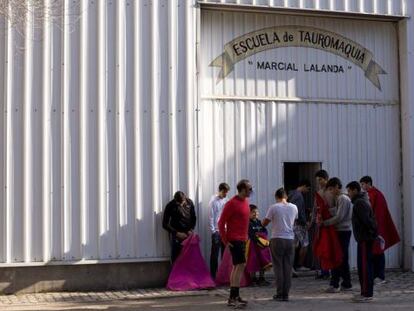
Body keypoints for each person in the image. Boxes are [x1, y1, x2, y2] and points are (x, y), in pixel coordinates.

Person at [360, 176, 400, 285]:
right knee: (373, 252)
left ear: (368, 183)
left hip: (377, 227)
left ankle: (380, 276)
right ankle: (374, 275)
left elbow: (376, 212)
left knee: (378, 252)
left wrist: (374, 227)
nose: (362, 187)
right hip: (373, 227)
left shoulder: (375, 194)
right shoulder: (371, 194)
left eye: (363, 184)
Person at [218, 179, 252, 308]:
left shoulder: (246, 202)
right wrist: (225, 240)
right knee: (240, 265)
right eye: (249, 189)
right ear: (242, 189)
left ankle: (233, 297)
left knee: (237, 266)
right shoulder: (231, 203)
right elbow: (221, 223)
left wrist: (246, 237)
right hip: (234, 239)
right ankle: (234, 297)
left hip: (243, 239)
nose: (251, 191)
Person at [263, 188, 298, 302]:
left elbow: (265, 222)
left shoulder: (274, 207)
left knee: (278, 267)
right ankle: (286, 294)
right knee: (287, 267)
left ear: (276, 197)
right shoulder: (294, 207)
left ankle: (279, 294)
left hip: (277, 238)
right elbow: (295, 221)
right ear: (286, 196)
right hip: (290, 239)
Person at [347, 181, 378, 303]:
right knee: (363, 266)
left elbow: (367, 221)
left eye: (349, 191)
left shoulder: (360, 203)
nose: (348, 194)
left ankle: (366, 294)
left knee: (365, 267)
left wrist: (372, 234)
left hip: (365, 239)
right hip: (364, 238)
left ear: (355, 190)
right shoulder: (362, 201)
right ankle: (364, 292)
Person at [323, 177, 353, 293]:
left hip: (342, 231)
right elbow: (337, 212)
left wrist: (325, 223)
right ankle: (346, 282)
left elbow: (339, 217)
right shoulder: (341, 198)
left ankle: (335, 284)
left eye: (331, 189)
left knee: (338, 257)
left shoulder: (343, 198)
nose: (330, 192)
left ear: (336, 186)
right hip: (342, 230)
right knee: (342, 258)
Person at [312, 170, 335, 280]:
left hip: (332, 223)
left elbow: (337, 207)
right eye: (317, 180)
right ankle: (323, 270)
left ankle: (332, 271)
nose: (319, 182)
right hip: (320, 224)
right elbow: (315, 208)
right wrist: (312, 221)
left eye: (320, 180)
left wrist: (329, 212)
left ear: (326, 178)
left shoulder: (332, 191)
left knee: (331, 248)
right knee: (321, 247)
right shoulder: (319, 192)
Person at [162, 191, 196, 263]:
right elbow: (165, 224)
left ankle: (187, 274)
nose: (180, 205)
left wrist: (191, 229)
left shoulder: (190, 202)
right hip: (177, 235)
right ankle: (175, 273)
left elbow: (193, 217)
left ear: (185, 199)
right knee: (176, 257)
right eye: (178, 203)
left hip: (188, 234)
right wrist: (176, 233)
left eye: (182, 203)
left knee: (189, 257)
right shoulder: (170, 205)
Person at [288, 180, 311, 272]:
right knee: (305, 244)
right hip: (299, 223)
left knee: (294, 245)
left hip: (292, 223)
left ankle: (291, 266)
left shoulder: (291, 194)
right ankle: (299, 265)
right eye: (308, 189)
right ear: (304, 186)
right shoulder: (299, 196)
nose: (308, 191)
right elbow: (296, 210)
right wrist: (304, 222)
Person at [209, 182, 230, 279]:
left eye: (227, 192)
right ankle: (213, 275)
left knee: (224, 254)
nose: (225, 194)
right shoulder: (213, 201)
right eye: (224, 192)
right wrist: (213, 231)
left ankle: (223, 275)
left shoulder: (227, 201)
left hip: (225, 231)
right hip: (217, 231)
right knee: (215, 254)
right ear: (220, 190)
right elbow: (211, 217)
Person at [247, 204, 271, 286]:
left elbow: (265, 231)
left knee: (263, 261)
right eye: (253, 212)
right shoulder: (248, 223)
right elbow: (250, 234)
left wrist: (264, 239)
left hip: (261, 246)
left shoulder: (259, 222)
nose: (256, 214)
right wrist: (258, 239)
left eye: (257, 212)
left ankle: (262, 278)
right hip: (253, 246)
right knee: (253, 261)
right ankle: (253, 279)